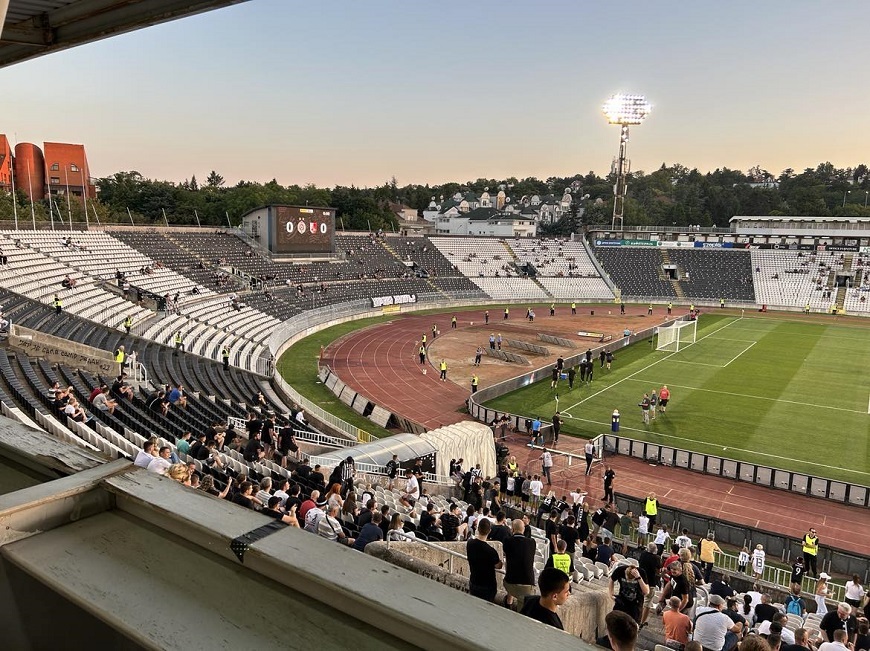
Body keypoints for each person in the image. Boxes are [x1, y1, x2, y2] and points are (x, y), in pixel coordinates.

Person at [502, 519, 536, 611]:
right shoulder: (532, 542)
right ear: (523, 529)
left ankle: (509, 602)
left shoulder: (507, 541)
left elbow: (507, 553)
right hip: (528, 584)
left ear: (512, 529)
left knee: (511, 564)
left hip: (510, 582)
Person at [466, 518, 502, 602]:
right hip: (487, 587)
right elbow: (498, 565)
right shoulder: (491, 551)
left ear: (478, 529)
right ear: (489, 531)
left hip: (474, 582)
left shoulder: (470, 543)